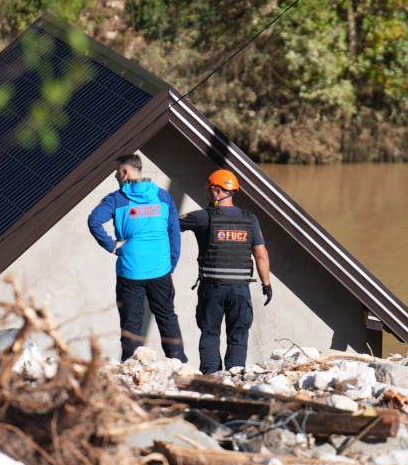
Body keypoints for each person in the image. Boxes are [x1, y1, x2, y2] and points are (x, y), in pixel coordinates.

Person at [87, 153, 185, 362]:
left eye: (116, 174)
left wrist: (112, 246)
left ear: (125, 172)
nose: (116, 178)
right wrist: (171, 264)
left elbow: (94, 221)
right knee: (167, 317)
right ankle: (178, 363)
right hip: (160, 270)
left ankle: (131, 367)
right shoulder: (163, 196)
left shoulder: (117, 199)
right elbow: (174, 233)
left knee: (131, 324)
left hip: (130, 272)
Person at [180, 168, 272, 373]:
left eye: (210, 189)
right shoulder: (250, 219)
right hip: (240, 289)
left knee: (210, 333)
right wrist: (267, 284)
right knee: (238, 334)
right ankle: (234, 376)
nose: (208, 194)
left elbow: (169, 224)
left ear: (216, 191)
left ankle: (211, 377)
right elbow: (261, 254)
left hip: (212, 289)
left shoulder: (202, 217)